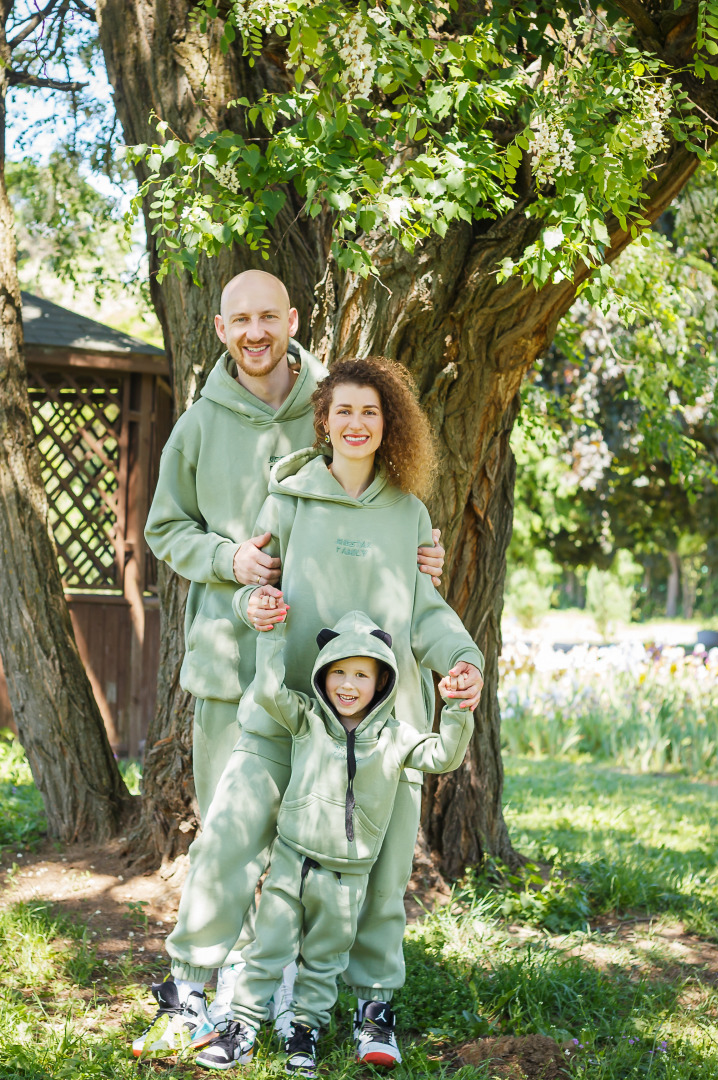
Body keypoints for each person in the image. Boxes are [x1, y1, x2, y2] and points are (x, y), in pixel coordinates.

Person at [138, 274, 446, 1055]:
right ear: (218, 327)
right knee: (233, 831)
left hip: (334, 674)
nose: (254, 331)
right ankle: (222, 994)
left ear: (292, 321)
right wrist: (227, 558)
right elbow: (164, 529)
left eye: (267, 316)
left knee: (320, 840)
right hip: (230, 660)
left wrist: (415, 559)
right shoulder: (199, 425)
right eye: (240, 319)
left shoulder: (335, 406)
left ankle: (291, 995)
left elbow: (375, 503)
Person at [191, 611, 476, 1076]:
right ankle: (240, 1028)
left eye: (361, 674)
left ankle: (304, 1035)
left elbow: (443, 756)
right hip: (291, 862)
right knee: (267, 950)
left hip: (348, 876)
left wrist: (458, 709)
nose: (348, 684)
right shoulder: (307, 719)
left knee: (323, 963)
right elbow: (267, 691)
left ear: (382, 681)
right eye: (338, 672)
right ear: (323, 676)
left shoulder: (394, 737)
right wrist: (272, 635)